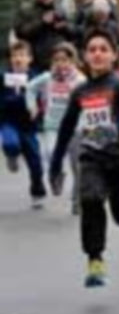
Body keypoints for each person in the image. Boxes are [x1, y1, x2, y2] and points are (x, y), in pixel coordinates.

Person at [48, 29, 119, 288]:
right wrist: (56, 162)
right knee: (90, 199)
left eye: (103, 49)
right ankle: (95, 260)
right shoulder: (80, 91)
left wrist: (116, 129)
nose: (97, 53)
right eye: (92, 49)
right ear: (84, 56)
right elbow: (67, 127)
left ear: (114, 56)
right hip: (91, 154)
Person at [25, 42, 86, 214]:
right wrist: (32, 106)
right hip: (53, 126)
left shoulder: (80, 80)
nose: (61, 63)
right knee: (51, 155)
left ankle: (78, 201)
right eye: (57, 60)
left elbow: (90, 99)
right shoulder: (46, 77)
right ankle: (56, 175)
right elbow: (30, 88)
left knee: (79, 167)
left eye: (65, 60)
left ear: (73, 61)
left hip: (75, 128)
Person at [1, 41, 47, 208]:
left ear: (30, 59)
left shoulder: (36, 78)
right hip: (9, 121)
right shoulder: (3, 77)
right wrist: (16, 99)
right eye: (14, 56)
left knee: (35, 161)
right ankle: (12, 155)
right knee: (10, 143)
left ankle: (37, 192)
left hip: (29, 125)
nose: (18, 59)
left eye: (22, 55)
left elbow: (43, 99)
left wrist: (39, 110)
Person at [13, 0, 75, 73]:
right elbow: (20, 33)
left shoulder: (62, 9)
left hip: (58, 61)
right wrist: (42, 22)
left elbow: (75, 33)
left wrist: (64, 27)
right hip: (35, 62)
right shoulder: (28, 10)